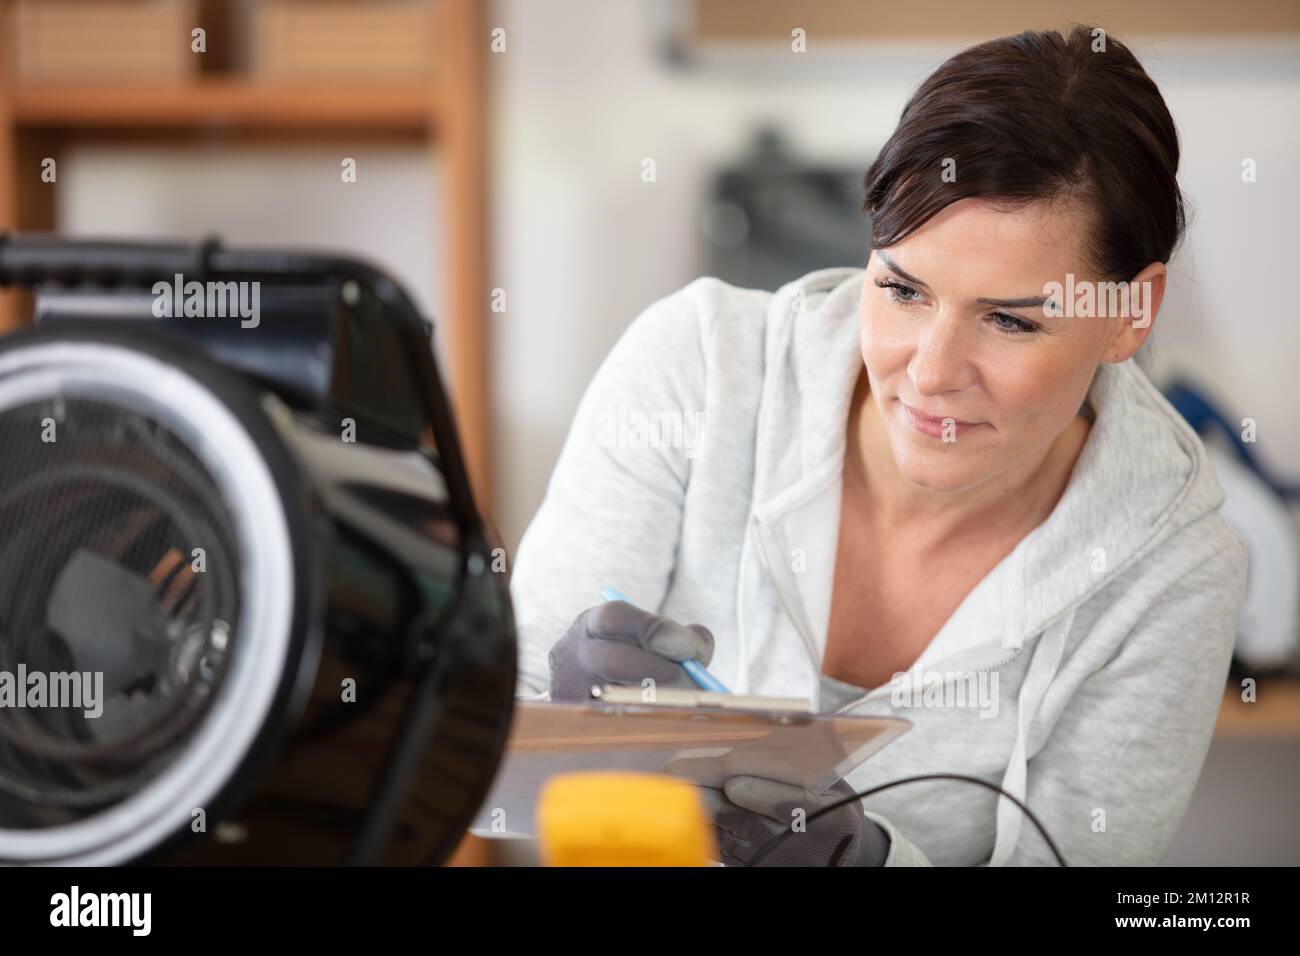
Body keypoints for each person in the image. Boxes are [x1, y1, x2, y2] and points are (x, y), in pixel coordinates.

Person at [510, 25, 1248, 866]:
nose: (930, 374)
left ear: (1131, 315)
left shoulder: (1174, 565)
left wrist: (874, 859)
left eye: (1010, 319)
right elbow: (494, 770)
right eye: (902, 289)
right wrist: (555, 718)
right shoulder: (695, 373)